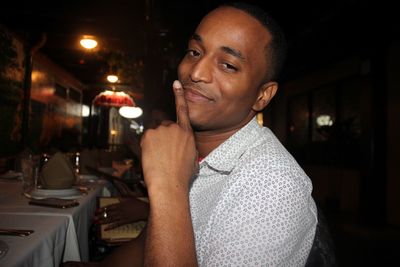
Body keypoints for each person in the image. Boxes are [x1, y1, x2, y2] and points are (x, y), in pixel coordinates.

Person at [63, 2, 317, 266]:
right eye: (195, 52)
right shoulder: (200, 153)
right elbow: (148, 244)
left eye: (228, 65)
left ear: (262, 95)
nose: (195, 73)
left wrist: (167, 184)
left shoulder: (272, 187)